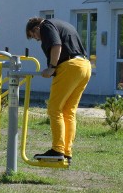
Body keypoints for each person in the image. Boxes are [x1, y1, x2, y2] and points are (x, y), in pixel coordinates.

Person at [25, 17, 92, 164]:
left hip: (69, 66)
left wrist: (52, 67)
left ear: (36, 28)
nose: (37, 39)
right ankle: (67, 151)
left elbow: (56, 45)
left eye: (34, 36)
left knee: (54, 108)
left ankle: (57, 150)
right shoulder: (63, 24)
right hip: (84, 66)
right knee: (69, 111)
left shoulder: (46, 26)